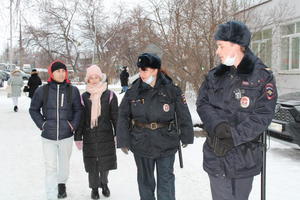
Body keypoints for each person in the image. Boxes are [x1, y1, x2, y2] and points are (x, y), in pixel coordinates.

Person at [196, 21, 277, 200]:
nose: (217, 51)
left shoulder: (262, 76)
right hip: (216, 153)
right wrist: (218, 126)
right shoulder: (214, 76)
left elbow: (263, 114)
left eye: (220, 46)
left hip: (244, 156)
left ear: (236, 45)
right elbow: (202, 103)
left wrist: (234, 136)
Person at [117, 53, 194, 200]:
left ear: (155, 70)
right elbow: (123, 116)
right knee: (145, 182)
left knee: (166, 183)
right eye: (139, 70)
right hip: (141, 142)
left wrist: (186, 135)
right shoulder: (133, 92)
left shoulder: (171, 90)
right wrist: (123, 140)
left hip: (166, 141)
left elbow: (183, 113)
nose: (141, 73)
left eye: (144, 70)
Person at [29, 60, 82, 200]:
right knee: (50, 167)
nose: (61, 73)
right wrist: (43, 124)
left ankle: (61, 184)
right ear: (52, 73)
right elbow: (33, 109)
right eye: (58, 71)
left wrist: (72, 125)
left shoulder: (73, 90)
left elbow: (78, 110)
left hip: (66, 135)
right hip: (48, 136)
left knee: (64, 165)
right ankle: (51, 195)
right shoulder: (42, 90)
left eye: (63, 71)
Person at [74, 65, 118, 199]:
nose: (94, 80)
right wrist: (78, 136)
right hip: (89, 135)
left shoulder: (110, 95)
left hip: (106, 134)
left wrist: (119, 134)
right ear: (87, 79)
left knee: (105, 163)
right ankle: (94, 188)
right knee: (92, 163)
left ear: (101, 77)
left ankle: (104, 183)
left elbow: (115, 116)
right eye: (91, 77)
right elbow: (80, 118)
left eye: (96, 77)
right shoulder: (83, 97)